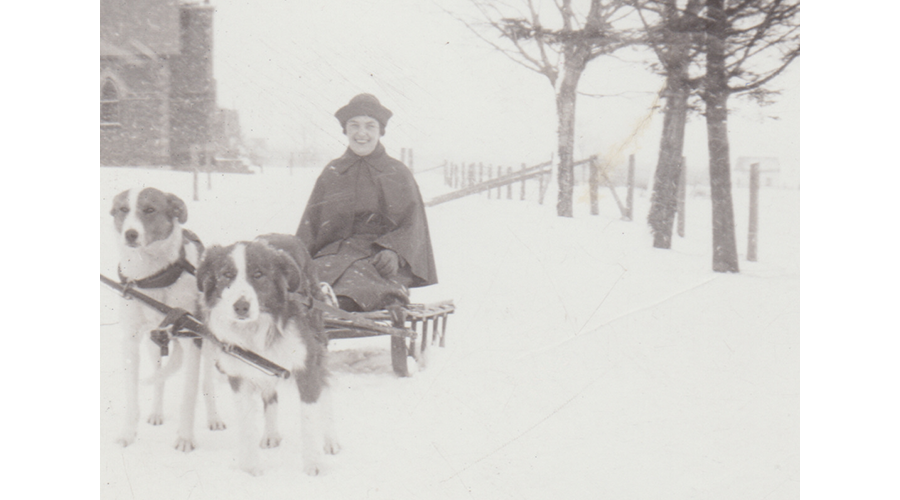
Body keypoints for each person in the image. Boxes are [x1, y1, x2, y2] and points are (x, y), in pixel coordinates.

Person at [296, 94, 437, 312]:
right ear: (346, 130)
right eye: (354, 125)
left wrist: (394, 251)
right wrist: (297, 261)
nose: (362, 134)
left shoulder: (397, 173)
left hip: (377, 260)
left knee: (359, 285)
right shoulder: (332, 172)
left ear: (380, 131)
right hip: (331, 257)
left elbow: (413, 225)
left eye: (370, 126)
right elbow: (310, 226)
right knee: (306, 283)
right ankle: (322, 302)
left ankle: (334, 305)